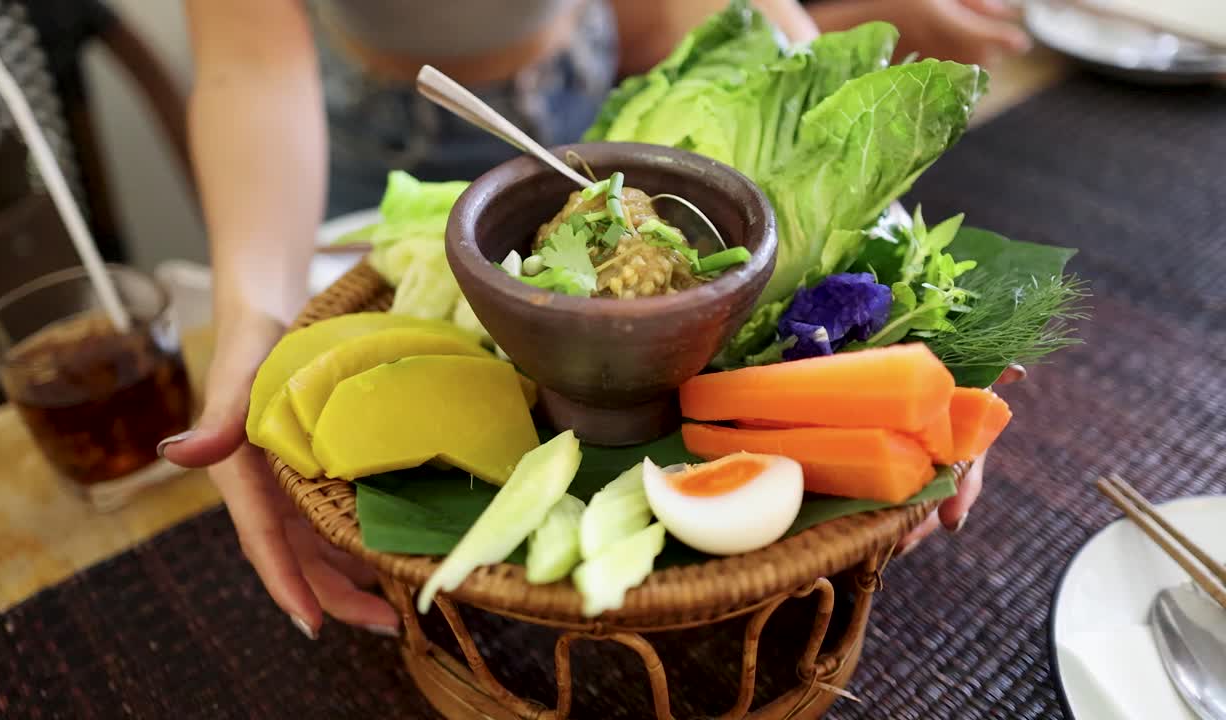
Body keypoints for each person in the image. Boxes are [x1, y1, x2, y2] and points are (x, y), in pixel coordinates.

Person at [160, 0, 1028, 640]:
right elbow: (248, 67)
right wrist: (252, 318)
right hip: (353, 150)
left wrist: (860, 228)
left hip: (597, 106)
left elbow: (730, 17)